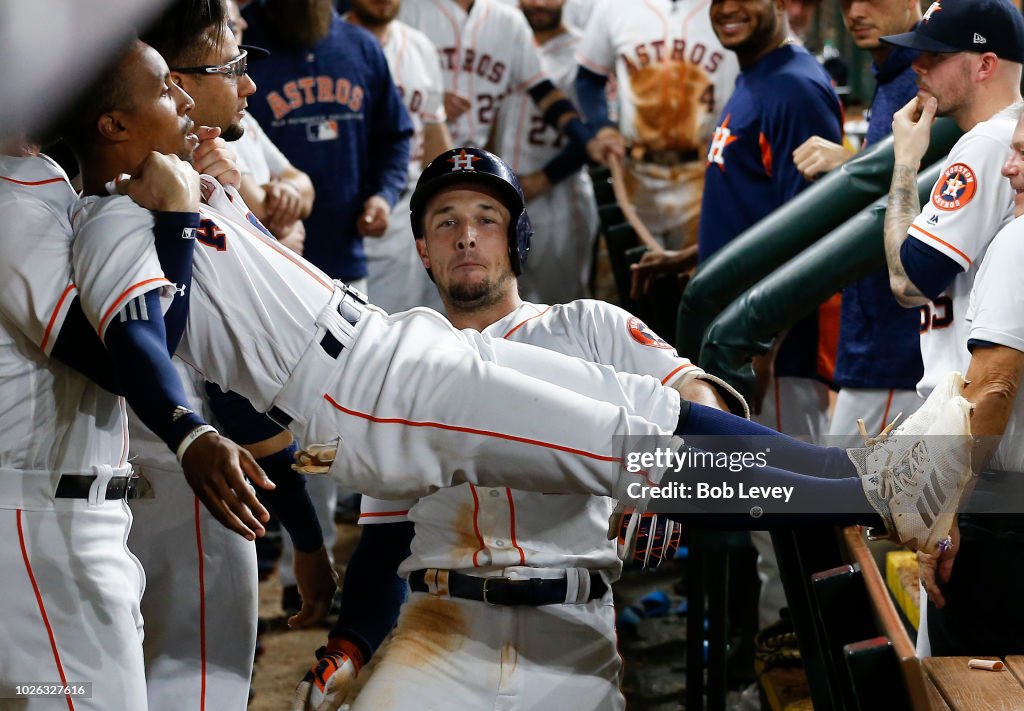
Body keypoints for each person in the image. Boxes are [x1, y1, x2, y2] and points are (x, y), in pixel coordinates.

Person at [62, 37, 969, 583]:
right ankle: (872, 494)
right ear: (111, 123)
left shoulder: (188, 176)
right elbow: (145, 341)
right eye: (163, 90)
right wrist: (192, 426)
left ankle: (874, 484)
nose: (184, 101)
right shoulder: (115, 221)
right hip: (351, 392)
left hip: (382, 348)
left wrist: (213, 190)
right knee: (630, 448)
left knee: (639, 414)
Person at [292, 147, 734, 711]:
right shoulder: (400, 360)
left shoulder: (589, 325)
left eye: (487, 218)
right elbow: (385, 537)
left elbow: (703, 398)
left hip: (572, 632)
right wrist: (347, 647)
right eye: (446, 221)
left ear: (516, 239)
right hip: (439, 630)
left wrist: (666, 471)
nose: (467, 236)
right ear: (424, 250)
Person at [0, 123, 204, 708]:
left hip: (47, 518)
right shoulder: (14, 205)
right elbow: (121, 365)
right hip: (35, 532)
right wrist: (177, 221)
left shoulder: (40, 186)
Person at [878, 0, 1024, 655]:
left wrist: (904, 162)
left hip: (984, 460)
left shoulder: (991, 143)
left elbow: (909, 280)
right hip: (979, 450)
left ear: (986, 63)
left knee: (960, 663)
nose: (920, 64)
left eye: (936, 54)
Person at [915, 105, 1024, 656]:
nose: (1008, 169)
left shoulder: (1019, 242)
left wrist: (945, 508)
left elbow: (994, 387)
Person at [793, 0, 924, 445]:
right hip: (877, 332)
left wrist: (851, 165)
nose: (856, 11)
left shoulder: (927, 74)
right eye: (847, 1)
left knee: (835, 499)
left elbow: (944, 193)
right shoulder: (892, 74)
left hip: (898, 345)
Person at [574, 0, 740, 253]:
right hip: (635, 176)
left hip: (705, 176)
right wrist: (602, 126)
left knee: (700, 282)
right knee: (631, 282)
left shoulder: (730, 8)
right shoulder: (613, 6)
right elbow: (588, 78)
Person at [345, 0, 451, 314]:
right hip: (347, 213)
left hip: (407, 208)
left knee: (417, 325)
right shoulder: (329, 43)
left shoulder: (419, 46)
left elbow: (434, 130)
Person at [491, 0, 599, 304]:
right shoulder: (505, 43)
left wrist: (544, 178)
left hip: (561, 196)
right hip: (503, 191)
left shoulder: (585, 51)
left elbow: (595, 134)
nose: (538, 4)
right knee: (506, 302)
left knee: (563, 303)